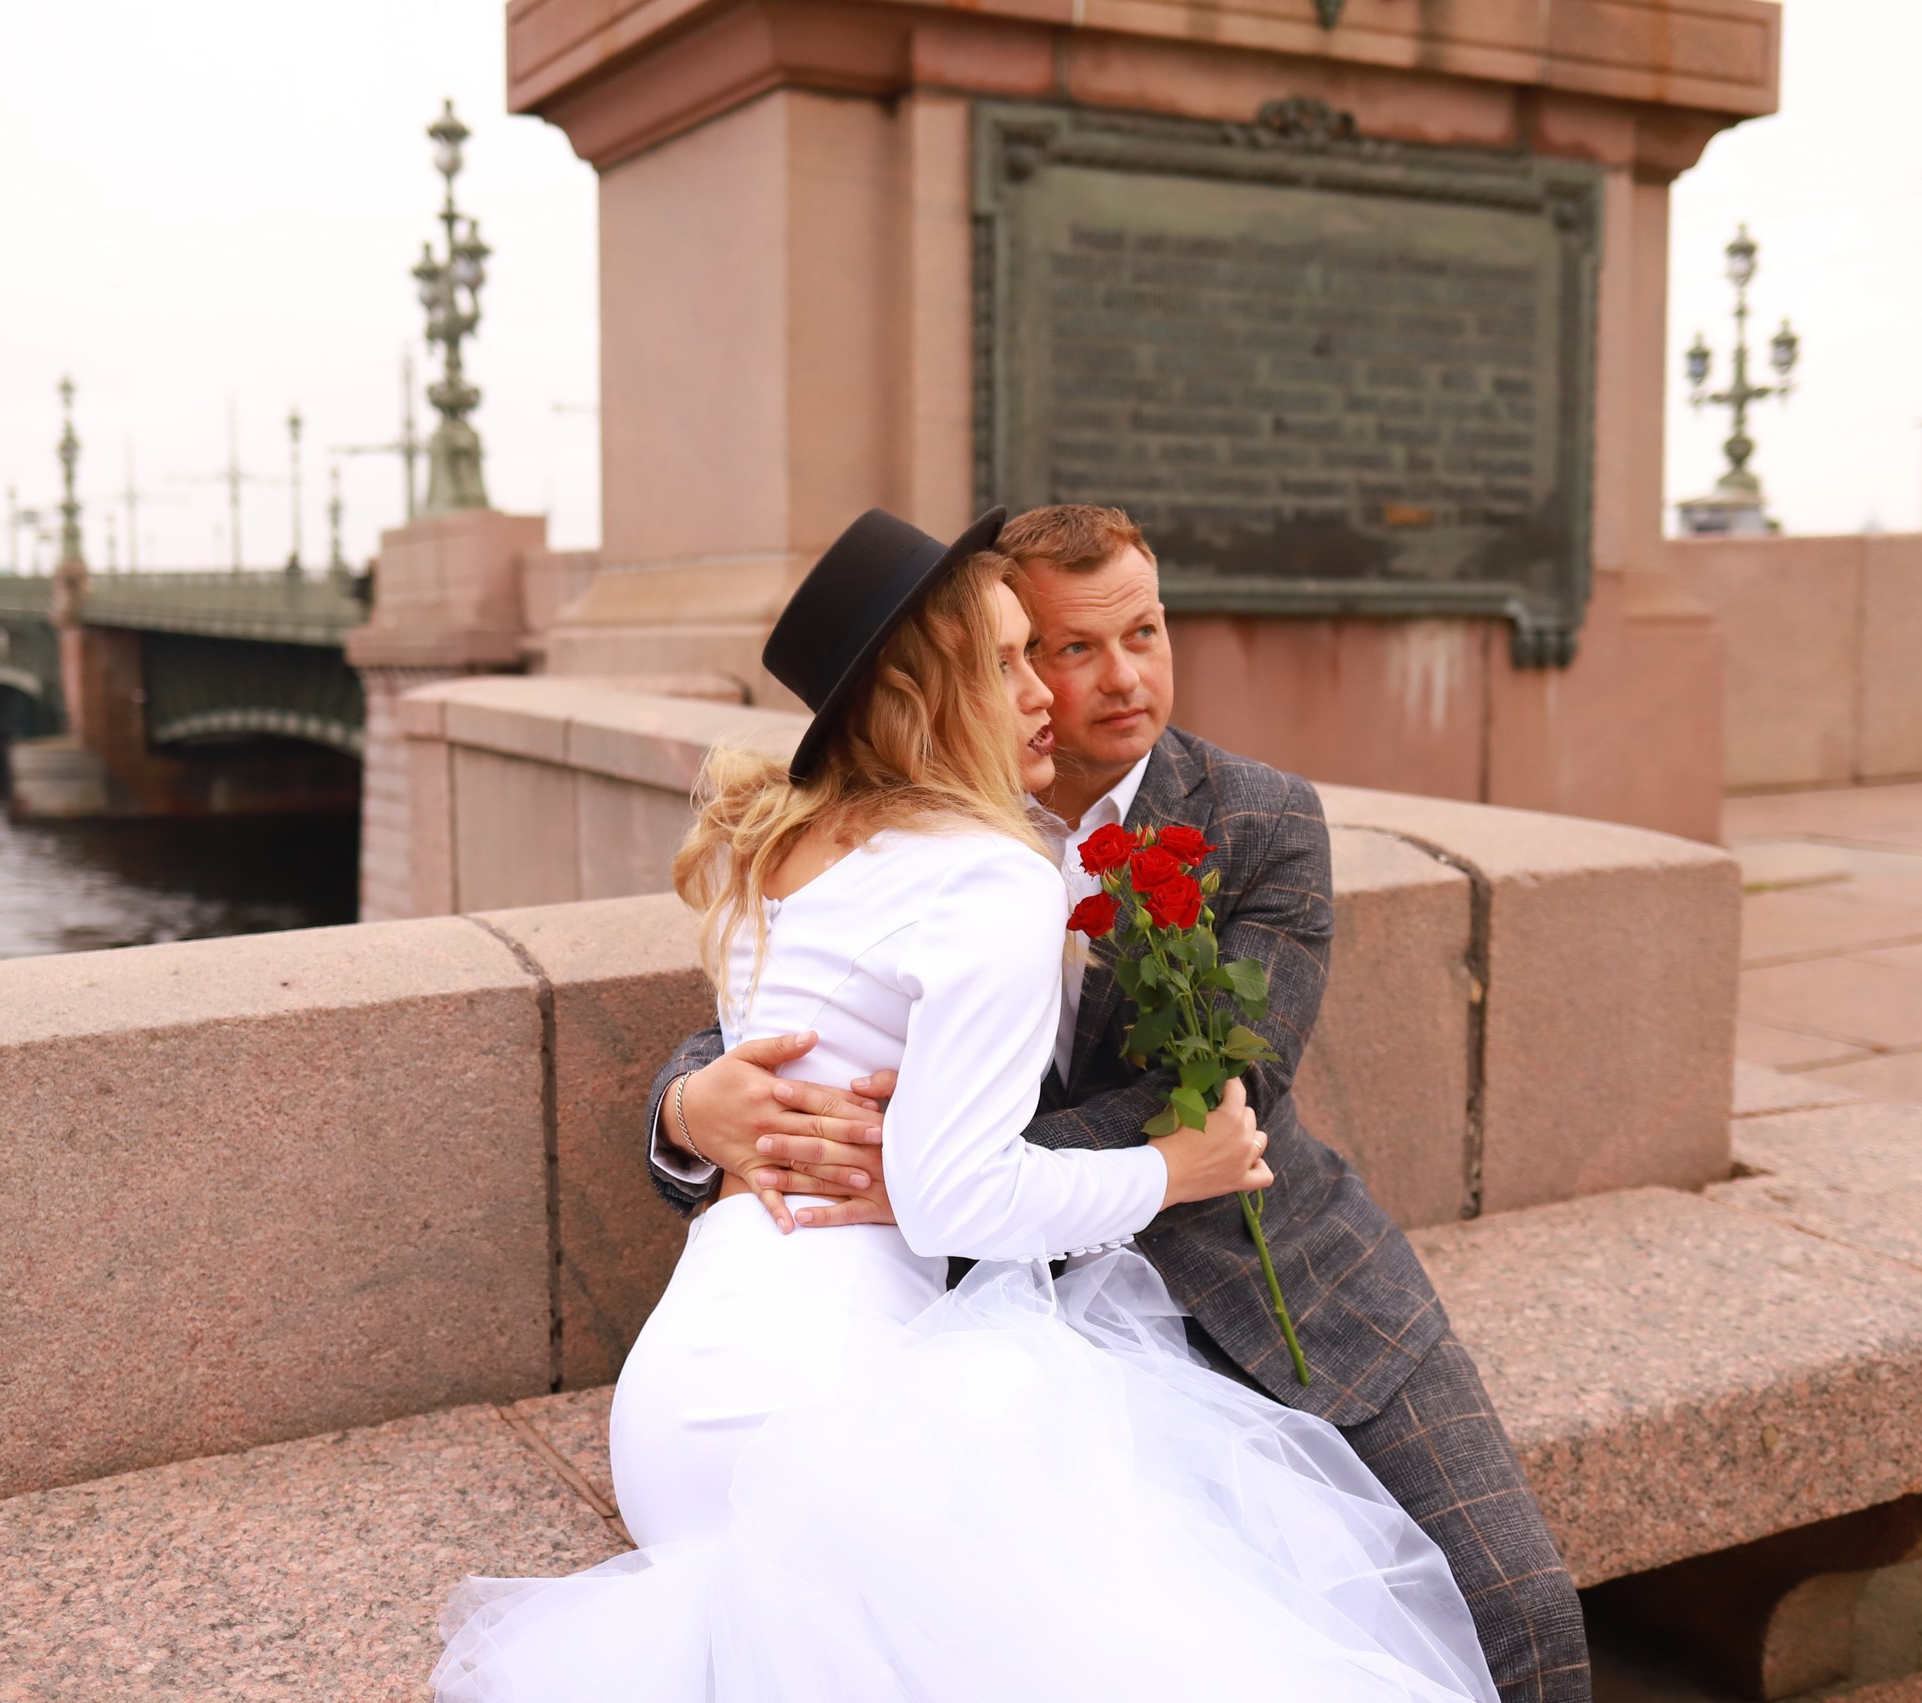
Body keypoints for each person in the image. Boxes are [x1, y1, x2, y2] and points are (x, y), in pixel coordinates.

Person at [433, 507, 1499, 1701]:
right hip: (861, 1388)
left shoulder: (793, 839)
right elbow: (924, 1165)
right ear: (931, 688)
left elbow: (1219, 1074)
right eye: (1027, 655)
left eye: (1142, 631)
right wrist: (690, 1108)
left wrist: (904, 1157)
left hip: (701, 1392)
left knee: (1512, 1610)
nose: (1082, 684)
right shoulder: (989, 864)